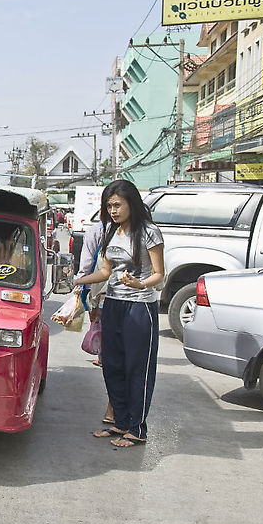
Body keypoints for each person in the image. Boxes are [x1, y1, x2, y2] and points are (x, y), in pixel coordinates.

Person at [72, 180, 164, 449]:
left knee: (138, 369)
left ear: (131, 203)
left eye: (117, 205)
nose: (112, 210)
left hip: (140, 307)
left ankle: (137, 429)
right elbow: (105, 272)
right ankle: (121, 423)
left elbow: (160, 274)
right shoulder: (110, 231)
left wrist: (140, 284)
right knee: (112, 365)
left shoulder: (149, 232)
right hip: (113, 304)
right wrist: (79, 282)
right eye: (108, 205)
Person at [74, 219, 111, 423]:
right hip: (100, 288)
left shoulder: (99, 231)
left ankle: (102, 353)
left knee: (98, 321)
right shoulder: (102, 232)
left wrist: (80, 282)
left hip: (105, 291)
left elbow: (89, 261)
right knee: (100, 321)